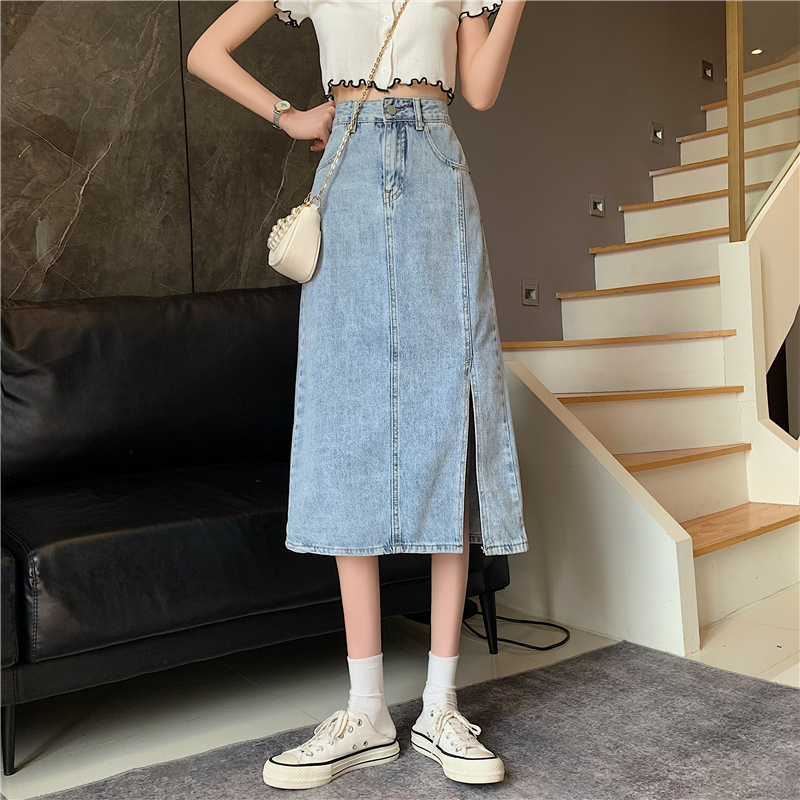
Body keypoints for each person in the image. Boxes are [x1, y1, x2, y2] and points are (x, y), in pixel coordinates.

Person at [186, 0, 528, 789]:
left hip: (437, 167)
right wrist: (290, 115)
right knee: (345, 419)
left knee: (446, 421)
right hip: (345, 164)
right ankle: (367, 710)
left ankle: (440, 705)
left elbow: (479, 90)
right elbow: (206, 52)